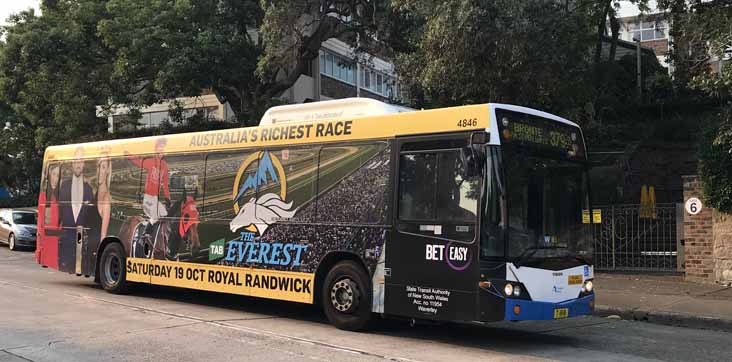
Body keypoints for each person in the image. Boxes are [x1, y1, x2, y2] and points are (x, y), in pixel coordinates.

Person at [58, 147, 94, 272]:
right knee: (66, 262)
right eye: (76, 161)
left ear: (84, 164)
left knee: (78, 262)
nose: (78, 164)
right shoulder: (64, 186)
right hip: (66, 231)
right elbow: (60, 208)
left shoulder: (88, 189)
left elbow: (90, 214)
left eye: (81, 161)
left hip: (80, 232)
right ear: (72, 164)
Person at [125, 138, 170, 226]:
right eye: (159, 148)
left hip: (155, 199)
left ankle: (148, 227)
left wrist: (168, 198)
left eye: (163, 148)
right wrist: (127, 154)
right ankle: (145, 230)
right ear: (155, 149)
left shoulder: (165, 166)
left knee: (165, 214)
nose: (161, 151)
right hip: (148, 199)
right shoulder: (151, 161)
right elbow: (138, 161)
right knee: (156, 217)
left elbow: (165, 185)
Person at [36, 163, 61, 268]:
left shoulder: (60, 196)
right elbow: (42, 221)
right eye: (54, 174)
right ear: (50, 175)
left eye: (58, 176)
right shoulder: (44, 196)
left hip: (56, 236)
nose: (55, 178)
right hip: (48, 235)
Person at [96, 153, 112, 239]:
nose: (100, 171)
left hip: (95, 249)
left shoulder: (106, 199)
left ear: (108, 171)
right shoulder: (93, 192)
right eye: (99, 166)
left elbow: (103, 236)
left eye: (103, 167)